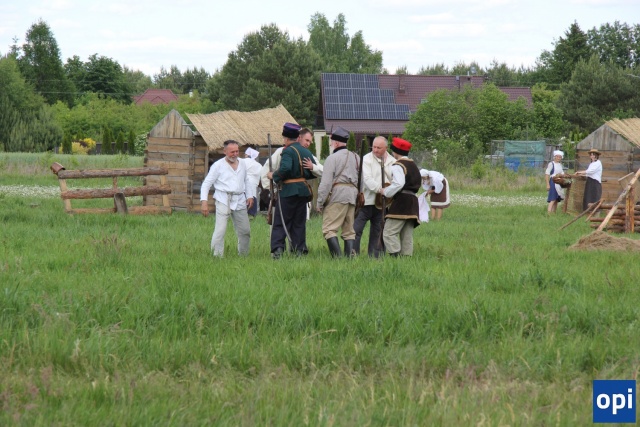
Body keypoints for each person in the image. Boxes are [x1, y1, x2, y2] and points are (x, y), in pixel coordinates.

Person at [266, 123, 317, 258]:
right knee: (299, 223)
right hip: (302, 192)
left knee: (280, 221)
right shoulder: (306, 152)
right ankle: (299, 251)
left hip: (288, 191)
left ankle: (278, 250)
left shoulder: (288, 151)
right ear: (297, 137)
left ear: (286, 138)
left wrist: (273, 176)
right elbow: (313, 171)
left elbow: (286, 169)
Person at [200, 140, 254, 257]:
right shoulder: (218, 165)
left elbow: (246, 180)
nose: (235, 154)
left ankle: (243, 255)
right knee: (220, 230)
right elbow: (206, 184)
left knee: (245, 231)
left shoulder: (242, 163)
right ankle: (217, 256)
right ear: (225, 151)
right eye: (232, 152)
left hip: (240, 199)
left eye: (237, 151)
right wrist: (204, 202)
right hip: (223, 198)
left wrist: (250, 195)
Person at [316, 127, 359, 257]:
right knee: (349, 230)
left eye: (331, 141)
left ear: (335, 143)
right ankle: (348, 260)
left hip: (338, 195)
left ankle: (338, 259)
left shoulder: (332, 158)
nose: (330, 144)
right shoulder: (356, 157)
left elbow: (326, 183)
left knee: (329, 229)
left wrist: (320, 202)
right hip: (353, 196)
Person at [260, 128, 322, 219]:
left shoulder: (306, 154)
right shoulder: (282, 151)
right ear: (299, 138)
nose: (308, 144)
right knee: (280, 222)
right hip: (282, 193)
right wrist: (272, 190)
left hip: (300, 194)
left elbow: (322, 170)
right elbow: (266, 171)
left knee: (297, 223)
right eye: (306, 140)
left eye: (310, 142)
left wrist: (313, 167)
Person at [353, 136, 395, 257]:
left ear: (386, 148)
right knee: (356, 230)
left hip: (382, 204)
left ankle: (375, 258)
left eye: (379, 148)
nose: (375, 150)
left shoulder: (392, 161)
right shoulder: (367, 159)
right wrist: (380, 190)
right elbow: (367, 179)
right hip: (365, 201)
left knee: (378, 231)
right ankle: (353, 255)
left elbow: (394, 180)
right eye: (374, 147)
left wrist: (389, 191)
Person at [378, 137, 421, 256]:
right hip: (413, 202)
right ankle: (405, 261)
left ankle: (395, 257)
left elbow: (399, 183)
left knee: (388, 233)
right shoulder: (413, 165)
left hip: (402, 202)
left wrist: (385, 192)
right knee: (406, 236)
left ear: (395, 151)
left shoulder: (398, 165)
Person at [244, 147, 262, 218]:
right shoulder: (258, 165)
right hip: (253, 185)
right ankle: (251, 216)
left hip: (242, 184)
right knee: (252, 198)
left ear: (247, 154)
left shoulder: (242, 161)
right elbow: (261, 177)